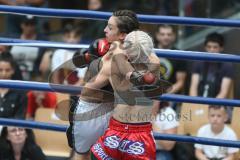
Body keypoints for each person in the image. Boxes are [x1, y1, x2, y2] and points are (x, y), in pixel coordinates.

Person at [66, 10, 141, 160]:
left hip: (108, 111)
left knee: (89, 155)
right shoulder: (107, 48)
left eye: (110, 28)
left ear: (122, 35)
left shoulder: (125, 56)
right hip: (96, 111)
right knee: (84, 154)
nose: (105, 30)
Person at [85, 30, 171, 159]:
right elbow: (150, 56)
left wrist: (105, 56)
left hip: (116, 129)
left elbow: (87, 90)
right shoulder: (155, 67)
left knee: (95, 152)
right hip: (139, 133)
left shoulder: (112, 66)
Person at [189, 32, 234, 99]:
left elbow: (223, 93)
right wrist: (196, 104)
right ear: (205, 47)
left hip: (217, 104)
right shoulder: (198, 62)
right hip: (197, 103)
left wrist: (211, 106)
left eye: (215, 47)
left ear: (221, 48)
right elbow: (193, 89)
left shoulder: (227, 65)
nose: (211, 50)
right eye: (209, 47)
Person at [155, 25, 187, 95]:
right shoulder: (149, 51)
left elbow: (180, 82)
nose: (166, 37)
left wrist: (163, 95)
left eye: (169, 34)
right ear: (157, 36)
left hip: (170, 97)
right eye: (162, 34)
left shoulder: (179, 54)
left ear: (174, 36)